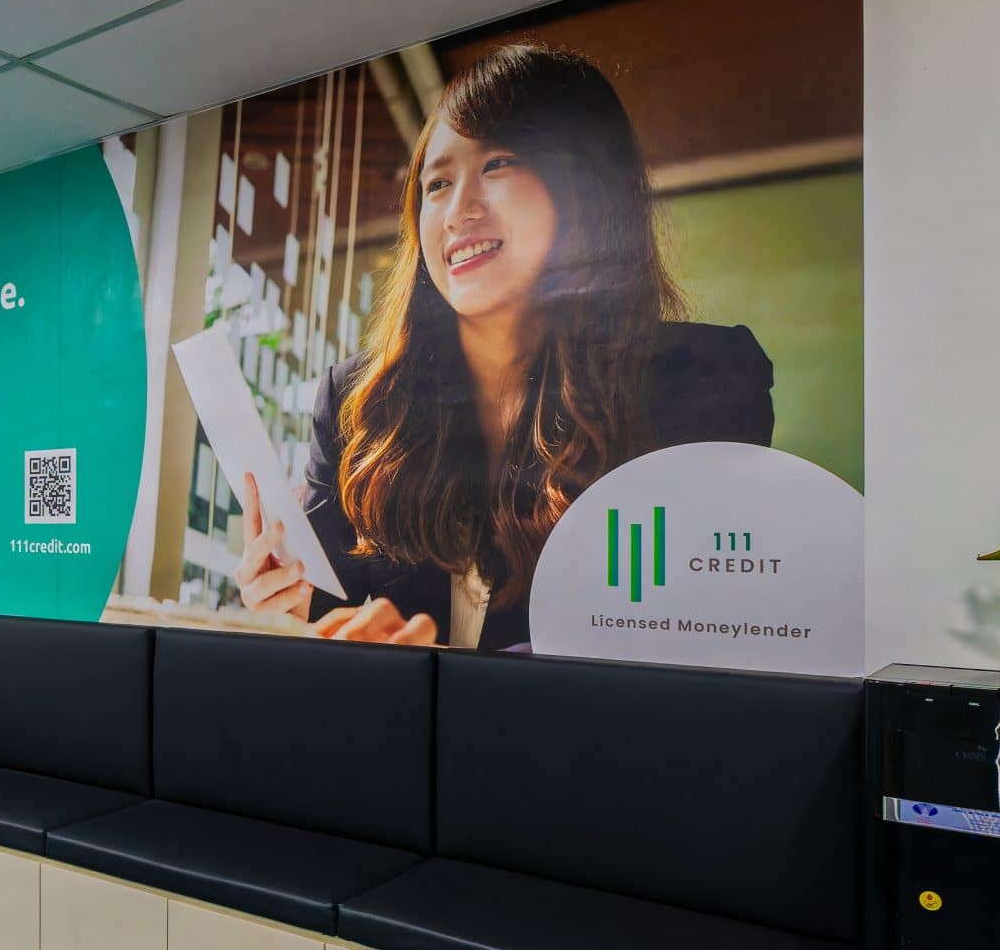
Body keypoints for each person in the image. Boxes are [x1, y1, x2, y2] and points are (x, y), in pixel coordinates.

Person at [234, 42, 774, 651]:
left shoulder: (700, 383)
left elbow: (684, 635)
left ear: (584, 188)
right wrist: (295, 597)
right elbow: (339, 599)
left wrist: (442, 677)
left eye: (498, 164)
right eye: (436, 184)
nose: (458, 211)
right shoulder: (358, 403)